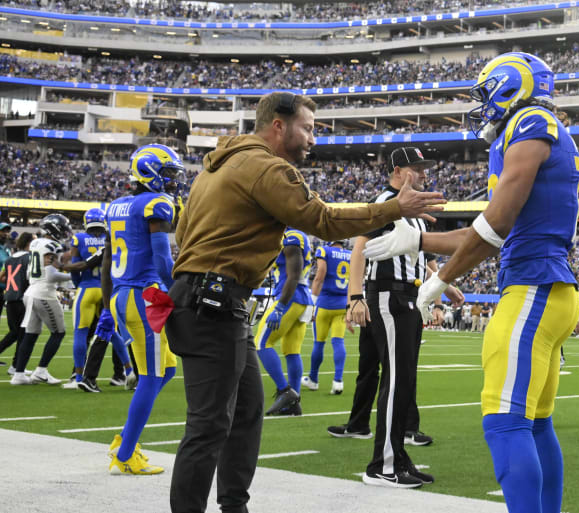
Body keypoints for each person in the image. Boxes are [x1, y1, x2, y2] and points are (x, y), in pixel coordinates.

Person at [166, 92, 444, 513]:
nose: (314, 138)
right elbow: (324, 221)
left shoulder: (217, 167)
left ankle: (233, 506)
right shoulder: (265, 167)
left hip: (210, 298)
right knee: (209, 425)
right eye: (309, 128)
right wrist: (392, 207)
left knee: (244, 413)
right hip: (214, 302)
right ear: (279, 125)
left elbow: (184, 235)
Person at [367, 52, 579, 512]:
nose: (483, 107)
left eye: (486, 96)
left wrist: (439, 280)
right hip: (548, 287)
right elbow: (484, 229)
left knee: (504, 422)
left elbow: (495, 224)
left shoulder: (531, 123)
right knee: (535, 424)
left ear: (510, 89)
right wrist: (418, 240)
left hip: (533, 288)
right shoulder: (534, 130)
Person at [333, 146, 460, 489]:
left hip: (409, 293)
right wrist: (355, 297)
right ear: (399, 171)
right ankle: (383, 465)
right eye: (417, 168)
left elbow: (422, 251)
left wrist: (443, 284)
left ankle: (398, 457)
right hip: (388, 293)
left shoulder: (412, 208)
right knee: (394, 379)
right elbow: (360, 247)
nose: (423, 174)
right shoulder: (386, 202)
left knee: (403, 379)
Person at [101, 144, 184, 474]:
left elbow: (109, 259)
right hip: (144, 295)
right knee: (150, 377)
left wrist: (110, 303)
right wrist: (180, 290)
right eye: (167, 173)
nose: (172, 181)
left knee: (167, 369)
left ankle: (125, 438)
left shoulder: (117, 205)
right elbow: (164, 259)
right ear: (149, 170)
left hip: (125, 293)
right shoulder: (156, 203)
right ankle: (124, 457)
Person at [61, 208, 135, 392]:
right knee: (111, 332)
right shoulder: (110, 239)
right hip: (106, 290)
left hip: (86, 288)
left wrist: (78, 284)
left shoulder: (79, 238)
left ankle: (78, 377)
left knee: (80, 333)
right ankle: (129, 370)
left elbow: (77, 269)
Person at [253, 228, 315, 415]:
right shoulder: (294, 236)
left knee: (261, 343)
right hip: (304, 299)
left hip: (290, 298)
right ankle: (292, 404)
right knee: (291, 350)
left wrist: (279, 308)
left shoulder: (292, 237)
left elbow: (293, 276)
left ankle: (284, 391)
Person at [11, 214, 73, 386]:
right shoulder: (53, 245)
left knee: (30, 335)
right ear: (55, 228)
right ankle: (41, 370)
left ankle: (19, 374)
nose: (65, 231)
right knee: (58, 332)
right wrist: (72, 277)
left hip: (31, 291)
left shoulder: (36, 243)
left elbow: (32, 272)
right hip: (44, 293)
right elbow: (52, 275)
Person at [308, 239, 352, 395]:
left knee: (319, 343)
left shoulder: (324, 250)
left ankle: (313, 379)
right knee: (338, 341)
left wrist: (312, 302)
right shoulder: (351, 254)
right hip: (342, 305)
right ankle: (338, 381)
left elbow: (320, 275)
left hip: (325, 304)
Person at [0, 232, 33, 371]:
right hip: (22, 298)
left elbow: (2, 277)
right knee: (23, 333)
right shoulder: (29, 258)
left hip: (10, 297)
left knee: (15, 332)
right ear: (28, 243)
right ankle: (16, 365)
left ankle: (16, 365)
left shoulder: (9, 258)